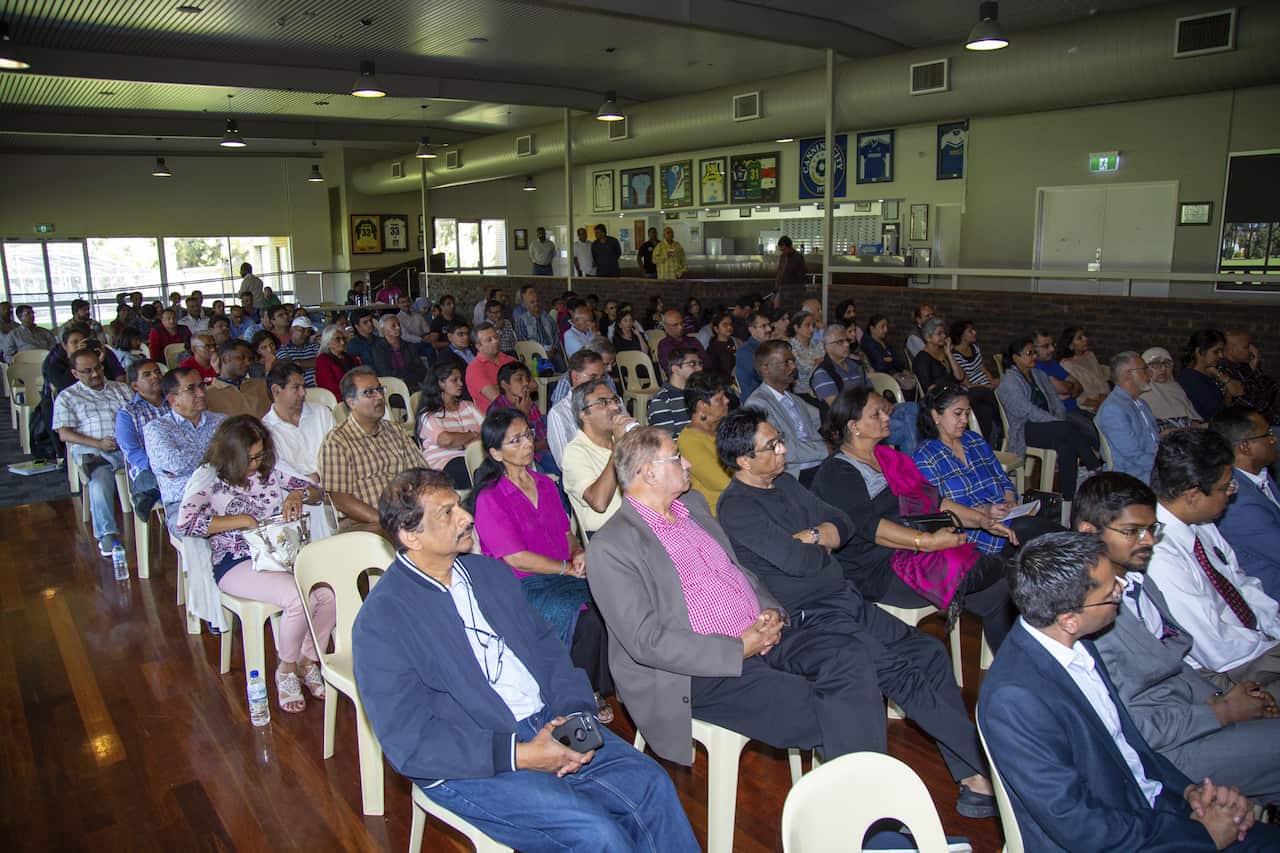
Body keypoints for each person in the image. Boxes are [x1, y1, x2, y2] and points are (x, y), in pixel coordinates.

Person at [354, 468, 698, 852]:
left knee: (651, 784)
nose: (467, 517)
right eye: (447, 513)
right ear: (409, 534)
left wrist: (574, 717)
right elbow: (410, 744)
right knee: (596, 834)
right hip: (472, 758)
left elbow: (547, 647)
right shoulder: (382, 620)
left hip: (548, 719)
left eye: (460, 506)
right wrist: (523, 755)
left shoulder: (487, 574)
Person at [716, 411, 999, 815]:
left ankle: (973, 778)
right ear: (743, 460)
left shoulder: (786, 484)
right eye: (772, 446)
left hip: (843, 599)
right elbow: (799, 564)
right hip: (810, 616)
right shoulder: (738, 508)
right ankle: (990, 773)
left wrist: (817, 535)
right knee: (900, 672)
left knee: (929, 654)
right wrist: (821, 542)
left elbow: (844, 524)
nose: (783, 450)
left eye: (780, 439)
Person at [978, 531, 1278, 852]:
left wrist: (1189, 791)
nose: (1121, 590)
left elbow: (1130, 747)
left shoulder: (1079, 645)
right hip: (1124, 835)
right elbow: (1080, 826)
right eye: (1112, 593)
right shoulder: (1015, 700)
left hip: (1148, 810)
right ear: (1069, 620)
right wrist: (1200, 836)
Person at [1074, 473, 1280, 805]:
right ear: (1089, 532)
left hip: (1195, 714)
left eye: (1152, 529)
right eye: (1132, 531)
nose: (1148, 541)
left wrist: (1230, 696)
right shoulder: (1084, 614)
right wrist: (1223, 712)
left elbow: (1176, 662)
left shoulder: (1138, 581)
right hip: (1163, 755)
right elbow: (1126, 726)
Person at [812, 387, 1017, 650]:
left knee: (998, 594)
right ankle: (1013, 567)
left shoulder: (889, 458)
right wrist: (928, 542)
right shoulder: (837, 472)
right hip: (877, 566)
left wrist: (980, 519)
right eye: (877, 414)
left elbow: (935, 501)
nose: (887, 418)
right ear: (854, 426)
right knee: (998, 568)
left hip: (915, 549)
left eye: (885, 412)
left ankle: (1006, 673)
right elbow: (871, 528)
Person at [177, 415, 332, 713]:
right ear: (231, 456)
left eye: (260, 455)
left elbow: (318, 492)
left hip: (279, 555)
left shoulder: (269, 473)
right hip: (236, 562)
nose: (256, 463)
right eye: (249, 458)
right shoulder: (210, 481)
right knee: (298, 598)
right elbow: (185, 524)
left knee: (327, 593)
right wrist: (242, 521)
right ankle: (286, 670)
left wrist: (298, 494)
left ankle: (307, 659)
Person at [469, 407, 614, 715]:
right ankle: (581, 690)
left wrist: (577, 554)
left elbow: (566, 533)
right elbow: (516, 558)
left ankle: (612, 681)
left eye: (527, 435)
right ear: (495, 453)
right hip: (524, 584)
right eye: (514, 440)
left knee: (612, 599)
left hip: (563, 573)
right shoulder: (490, 497)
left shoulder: (546, 483)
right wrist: (565, 570)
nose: (526, 444)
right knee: (586, 616)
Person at [1147, 428, 1280, 702]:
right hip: (1230, 670)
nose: (1231, 494)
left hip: (1256, 643)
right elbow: (1216, 648)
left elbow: (1242, 584)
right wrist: (1271, 644)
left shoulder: (1201, 525)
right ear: (1193, 494)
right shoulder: (1157, 555)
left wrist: (1275, 627)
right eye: (1224, 488)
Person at [913, 383, 1061, 556]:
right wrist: (985, 511)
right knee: (1033, 533)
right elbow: (940, 510)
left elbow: (1002, 478)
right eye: (958, 414)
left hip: (1006, 518)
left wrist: (1009, 501)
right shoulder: (925, 457)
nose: (965, 420)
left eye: (967, 414)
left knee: (1036, 533)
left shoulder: (974, 440)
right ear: (935, 416)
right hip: (973, 533)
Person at [997, 335, 1102, 502]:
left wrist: (1057, 419)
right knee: (1067, 428)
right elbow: (1027, 411)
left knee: (1065, 444)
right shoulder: (1009, 382)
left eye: (1034, 352)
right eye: (1029, 353)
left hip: (1050, 426)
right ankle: (1094, 467)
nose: (1034, 356)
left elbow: (1056, 403)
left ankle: (1068, 499)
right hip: (1026, 429)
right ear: (1016, 358)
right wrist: (1055, 422)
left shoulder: (1039, 374)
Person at [319, 367, 423, 532]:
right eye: (369, 393)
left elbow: (421, 474)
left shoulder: (395, 430)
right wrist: (385, 522)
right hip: (368, 523)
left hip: (407, 514)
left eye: (380, 389)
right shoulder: (337, 441)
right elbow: (340, 499)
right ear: (351, 402)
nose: (380, 397)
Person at [52, 349, 132, 555]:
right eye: (87, 371)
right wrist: (98, 443)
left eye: (98, 368)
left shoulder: (121, 389)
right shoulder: (68, 397)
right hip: (94, 450)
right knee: (100, 478)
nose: (95, 374)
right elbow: (64, 434)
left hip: (127, 448)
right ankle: (108, 535)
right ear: (75, 373)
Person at [143, 367, 227, 533]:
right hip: (182, 504)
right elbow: (177, 464)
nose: (201, 393)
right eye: (191, 389)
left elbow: (238, 455)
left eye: (202, 386)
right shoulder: (157, 429)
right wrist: (219, 456)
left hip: (226, 494)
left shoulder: (222, 422)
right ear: (173, 399)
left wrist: (191, 458)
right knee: (197, 535)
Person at [1213, 406, 1280, 601]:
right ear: (1245, 447)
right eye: (1267, 435)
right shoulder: (1238, 501)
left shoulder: (1255, 475)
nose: (1273, 439)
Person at [742, 339, 827, 484]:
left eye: (793, 361)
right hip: (794, 474)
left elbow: (821, 420)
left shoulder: (794, 399)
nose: (793, 367)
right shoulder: (757, 404)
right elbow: (783, 449)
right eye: (786, 362)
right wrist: (826, 449)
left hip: (818, 464)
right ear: (766, 369)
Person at [562, 379, 634, 535]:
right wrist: (618, 448)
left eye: (614, 400)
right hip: (606, 535)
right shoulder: (575, 452)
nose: (615, 407)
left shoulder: (624, 438)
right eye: (603, 403)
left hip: (638, 525)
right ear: (583, 414)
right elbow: (599, 503)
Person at [114, 359, 168, 514]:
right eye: (147, 375)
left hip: (180, 460)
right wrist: (159, 466)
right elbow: (132, 451)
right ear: (135, 386)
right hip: (148, 467)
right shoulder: (128, 413)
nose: (155, 376)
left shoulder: (175, 402)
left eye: (157, 372)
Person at [1096, 351, 1160, 482]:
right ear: (1128, 374)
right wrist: (1166, 467)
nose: (1149, 373)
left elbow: (1153, 443)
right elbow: (1134, 456)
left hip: (1149, 470)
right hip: (1131, 477)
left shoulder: (1141, 403)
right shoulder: (1113, 409)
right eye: (1144, 369)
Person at [416, 363, 482, 490]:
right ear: (440, 384)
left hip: (475, 456)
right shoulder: (429, 414)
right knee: (478, 472)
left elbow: (489, 432)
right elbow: (446, 440)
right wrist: (472, 435)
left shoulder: (468, 406)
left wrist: (468, 443)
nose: (461, 384)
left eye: (460, 379)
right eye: (454, 380)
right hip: (445, 462)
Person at [677, 371, 733, 514]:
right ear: (702, 406)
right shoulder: (689, 441)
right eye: (720, 399)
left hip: (740, 498)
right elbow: (723, 482)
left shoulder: (722, 428)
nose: (727, 401)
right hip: (721, 510)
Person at [547, 349, 609, 466]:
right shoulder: (560, 413)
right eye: (593, 377)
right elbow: (564, 463)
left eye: (601, 378)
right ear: (575, 377)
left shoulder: (611, 403)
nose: (599, 383)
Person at [1179, 329, 1241, 423]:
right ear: (1199, 351)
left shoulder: (1212, 371)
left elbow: (1238, 392)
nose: (1221, 356)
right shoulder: (1191, 379)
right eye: (1216, 352)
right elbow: (1215, 414)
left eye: (1221, 351)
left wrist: (1219, 375)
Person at [1220, 330, 1280, 425]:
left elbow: (1272, 386)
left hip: (1269, 421)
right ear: (1232, 350)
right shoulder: (1224, 371)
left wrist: (1253, 368)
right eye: (1247, 347)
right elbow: (1257, 404)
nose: (1252, 351)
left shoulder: (1243, 365)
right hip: (1250, 427)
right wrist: (1253, 370)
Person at [1141, 346, 1205, 431]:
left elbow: (1193, 418)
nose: (1163, 369)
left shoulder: (1176, 388)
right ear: (1145, 368)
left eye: (1167, 363)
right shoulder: (1143, 392)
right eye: (1156, 364)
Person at [646, 346, 702, 439]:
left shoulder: (700, 393)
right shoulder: (662, 400)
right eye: (692, 364)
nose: (699, 368)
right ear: (675, 369)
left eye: (700, 364)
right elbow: (667, 443)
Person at [463, 322, 517, 414]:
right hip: (496, 420)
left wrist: (499, 386)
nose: (495, 341)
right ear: (479, 346)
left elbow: (533, 384)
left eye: (496, 337)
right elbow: (497, 398)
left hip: (521, 411)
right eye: (489, 340)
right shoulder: (474, 369)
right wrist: (517, 385)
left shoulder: (509, 359)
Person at [810, 322, 866, 408]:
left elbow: (870, 393)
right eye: (840, 342)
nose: (847, 344)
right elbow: (838, 409)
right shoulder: (822, 373)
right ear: (827, 347)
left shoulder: (857, 365)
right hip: (847, 418)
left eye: (847, 340)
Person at [1057, 326, 1110, 413]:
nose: (1085, 339)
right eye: (1079, 338)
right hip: (1088, 407)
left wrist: (1105, 398)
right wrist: (1099, 403)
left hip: (1105, 400)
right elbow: (1077, 395)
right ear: (1070, 345)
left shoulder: (1090, 356)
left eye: (1084, 336)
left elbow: (1101, 379)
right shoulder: (1066, 364)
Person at [371, 313, 427, 393]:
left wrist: (406, 377)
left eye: (398, 325)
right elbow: (385, 372)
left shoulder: (410, 346)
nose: (398, 328)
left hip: (413, 385)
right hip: (391, 388)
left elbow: (421, 370)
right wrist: (407, 374)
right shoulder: (378, 349)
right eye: (393, 326)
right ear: (383, 330)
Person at [861, 315, 917, 394]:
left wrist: (891, 360)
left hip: (895, 372)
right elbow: (880, 365)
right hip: (885, 378)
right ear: (872, 328)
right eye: (882, 327)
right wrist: (892, 360)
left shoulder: (884, 342)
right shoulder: (868, 343)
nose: (886, 330)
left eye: (886, 326)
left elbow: (900, 361)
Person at [1034, 329, 1085, 414]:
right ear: (1033, 348)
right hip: (1061, 415)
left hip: (1075, 410)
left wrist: (1066, 390)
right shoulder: (1034, 367)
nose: (1052, 349)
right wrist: (1070, 386)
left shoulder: (1052, 363)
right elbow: (1062, 388)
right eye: (1046, 346)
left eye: (1053, 344)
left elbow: (1079, 387)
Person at [513, 287, 563, 371]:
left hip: (552, 352)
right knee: (545, 370)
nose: (536, 304)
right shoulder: (521, 320)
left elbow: (556, 336)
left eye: (537, 301)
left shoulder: (548, 318)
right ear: (526, 305)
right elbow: (523, 342)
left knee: (560, 364)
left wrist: (553, 349)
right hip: (534, 354)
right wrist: (541, 352)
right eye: (532, 302)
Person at [656, 309, 710, 376]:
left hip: (701, 377)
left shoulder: (693, 341)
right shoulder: (664, 345)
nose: (680, 327)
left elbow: (707, 362)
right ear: (666, 327)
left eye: (682, 323)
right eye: (675, 325)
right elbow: (670, 370)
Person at [313, 323, 360, 400]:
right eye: (337, 339)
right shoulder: (323, 360)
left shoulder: (352, 358)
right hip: (336, 399)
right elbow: (329, 387)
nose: (343, 342)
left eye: (344, 339)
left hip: (356, 396)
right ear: (328, 343)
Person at [735, 311, 772, 401]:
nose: (769, 329)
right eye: (764, 326)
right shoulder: (746, 351)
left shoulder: (770, 346)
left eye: (769, 325)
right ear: (752, 330)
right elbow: (763, 377)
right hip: (757, 399)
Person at [788, 310, 823, 399]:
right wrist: (816, 363)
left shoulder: (818, 344)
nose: (812, 329)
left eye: (813, 325)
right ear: (796, 328)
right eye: (807, 325)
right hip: (801, 394)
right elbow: (804, 368)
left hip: (820, 389)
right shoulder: (790, 347)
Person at [703, 312, 737, 379]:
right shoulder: (712, 349)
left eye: (730, 324)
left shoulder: (736, 341)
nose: (729, 327)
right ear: (716, 329)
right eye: (725, 325)